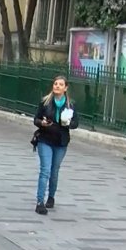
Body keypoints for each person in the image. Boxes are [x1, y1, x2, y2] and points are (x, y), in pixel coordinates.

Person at [32, 75, 79, 215]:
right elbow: (36, 119)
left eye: (60, 84)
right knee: (45, 170)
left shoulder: (71, 104)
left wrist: (68, 123)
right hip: (45, 139)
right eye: (55, 84)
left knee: (54, 171)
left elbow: (76, 123)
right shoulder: (45, 102)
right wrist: (42, 123)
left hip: (61, 142)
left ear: (65, 88)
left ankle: (51, 197)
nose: (57, 86)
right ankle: (40, 202)